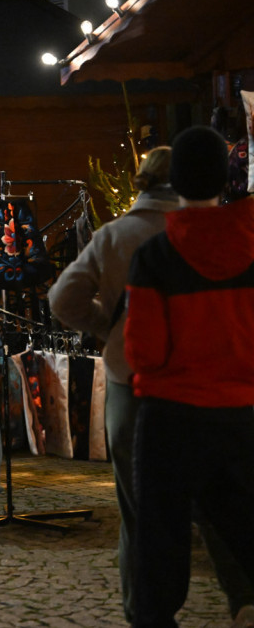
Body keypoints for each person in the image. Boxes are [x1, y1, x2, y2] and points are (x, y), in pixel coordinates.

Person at [49, 146, 254, 625]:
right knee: (225, 501)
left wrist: (106, 329)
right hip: (216, 386)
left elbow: (63, 299)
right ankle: (243, 596)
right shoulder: (222, 234)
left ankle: (143, 609)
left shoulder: (115, 235)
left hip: (133, 383)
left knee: (142, 509)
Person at [124, 126, 254, 628]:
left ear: (173, 181)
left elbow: (145, 353)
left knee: (160, 544)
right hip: (239, 414)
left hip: (170, 418)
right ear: (226, 179)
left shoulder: (155, 257)